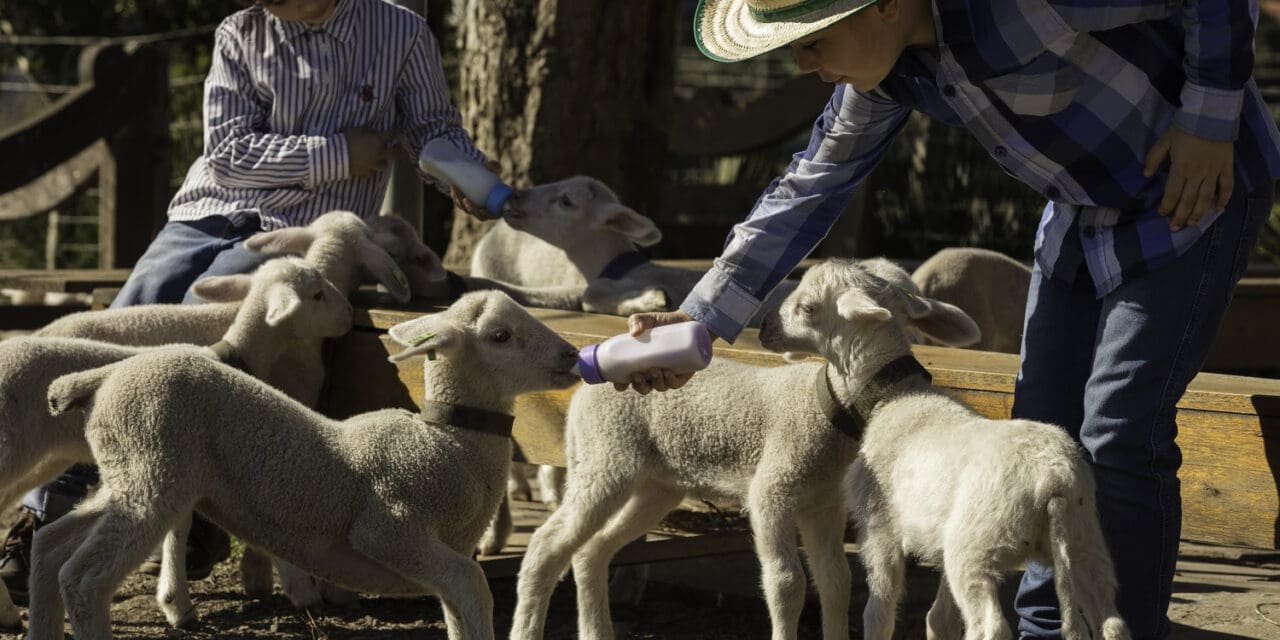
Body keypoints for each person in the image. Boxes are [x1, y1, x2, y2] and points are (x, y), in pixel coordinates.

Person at [625, 0, 1280, 637]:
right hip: (1083, 212)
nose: (801, 65)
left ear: (883, 6)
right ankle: (1044, 629)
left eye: (814, 41)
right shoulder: (890, 73)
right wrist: (700, 325)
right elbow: (810, 185)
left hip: (1192, 194)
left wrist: (1208, 120)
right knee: (1038, 432)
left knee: (1117, 433)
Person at [0, 0, 495, 598]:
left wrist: (465, 176)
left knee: (190, 332)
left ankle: (197, 511)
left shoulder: (399, 30)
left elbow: (431, 128)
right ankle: (47, 511)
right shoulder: (241, 31)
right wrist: (339, 153)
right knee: (125, 316)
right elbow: (227, 153)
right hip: (207, 212)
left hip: (304, 230)